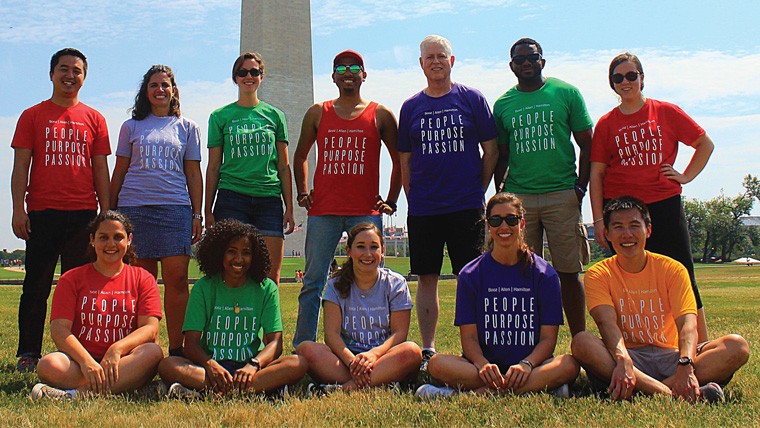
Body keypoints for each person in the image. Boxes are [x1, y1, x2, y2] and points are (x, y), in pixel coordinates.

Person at [571, 196, 749, 403]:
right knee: (582, 341)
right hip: (628, 356)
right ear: (607, 233)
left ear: (648, 230)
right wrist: (623, 359)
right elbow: (606, 322)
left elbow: (687, 324)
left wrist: (685, 363)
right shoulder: (598, 274)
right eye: (618, 227)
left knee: (737, 346)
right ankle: (672, 394)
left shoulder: (672, 269)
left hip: (672, 356)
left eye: (634, 225)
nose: (627, 234)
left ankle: (646, 388)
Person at [589, 52, 715, 343]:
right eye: (618, 78)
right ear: (612, 84)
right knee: (626, 281)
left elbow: (704, 144)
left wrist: (685, 176)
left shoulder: (666, 111)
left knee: (683, 274)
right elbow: (597, 174)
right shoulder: (607, 124)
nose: (625, 82)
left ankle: (703, 347)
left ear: (642, 78)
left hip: (663, 203)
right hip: (621, 210)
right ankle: (630, 349)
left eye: (631, 75)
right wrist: (599, 219)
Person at [416, 193, 579, 398]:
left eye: (511, 219)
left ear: (522, 224)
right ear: (488, 225)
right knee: (437, 364)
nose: (504, 227)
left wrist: (526, 364)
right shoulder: (470, 274)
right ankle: (535, 388)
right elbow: (469, 338)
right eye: (496, 220)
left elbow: (548, 339)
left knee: (569, 365)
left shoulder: (544, 274)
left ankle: (470, 395)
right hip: (482, 369)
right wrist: (483, 365)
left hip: (530, 366)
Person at [398, 35, 498, 367]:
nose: (436, 61)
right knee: (426, 277)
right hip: (425, 208)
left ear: (452, 61)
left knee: (470, 276)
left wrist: (478, 188)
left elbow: (492, 150)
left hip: (466, 205)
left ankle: (477, 347)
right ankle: (428, 349)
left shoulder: (472, 99)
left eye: (442, 56)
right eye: (430, 57)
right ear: (421, 63)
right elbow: (405, 161)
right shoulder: (411, 107)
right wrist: (414, 198)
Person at [292, 49, 402, 347]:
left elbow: (400, 159)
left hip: (364, 211)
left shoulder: (380, 114)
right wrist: (303, 191)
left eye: (355, 67)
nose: (348, 72)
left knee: (369, 280)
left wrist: (391, 199)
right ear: (333, 76)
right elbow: (300, 155)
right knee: (313, 281)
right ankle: (303, 345)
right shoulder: (318, 112)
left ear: (364, 75)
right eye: (341, 68)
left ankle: (369, 343)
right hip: (324, 210)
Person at [11, 48, 111, 372]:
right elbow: (20, 167)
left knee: (78, 289)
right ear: (52, 73)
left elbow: (100, 170)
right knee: (36, 286)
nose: (70, 76)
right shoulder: (32, 115)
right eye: (64, 69)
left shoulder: (95, 119)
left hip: (84, 214)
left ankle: (77, 353)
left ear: (85, 76)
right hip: (42, 212)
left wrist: (106, 214)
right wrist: (17, 209)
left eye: (77, 71)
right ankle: (28, 352)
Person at [492, 37, 594, 337]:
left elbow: (587, 144)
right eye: (520, 59)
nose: (526, 63)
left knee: (569, 272)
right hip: (519, 198)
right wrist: (499, 196)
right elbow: (501, 154)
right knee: (525, 273)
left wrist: (580, 188)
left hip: (562, 193)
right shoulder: (503, 105)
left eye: (532, 58)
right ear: (511, 66)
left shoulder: (565, 92)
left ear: (542, 61)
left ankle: (580, 341)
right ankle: (532, 341)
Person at [109, 65, 203, 357]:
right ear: (145, 91)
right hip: (134, 209)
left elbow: (193, 173)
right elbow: (120, 170)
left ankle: (178, 348)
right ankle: (143, 350)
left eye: (165, 85)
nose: (160, 90)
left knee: (176, 281)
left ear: (174, 90)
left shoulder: (187, 128)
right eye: (154, 85)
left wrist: (197, 214)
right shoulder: (131, 127)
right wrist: (109, 212)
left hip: (175, 209)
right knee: (141, 284)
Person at [158, 219, 306, 397]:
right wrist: (210, 365)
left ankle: (214, 391)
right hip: (211, 367)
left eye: (246, 253)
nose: (239, 259)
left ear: (255, 256)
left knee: (298, 363)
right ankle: (253, 390)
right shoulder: (204, 287)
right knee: (167, 365)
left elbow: (275, 343)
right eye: (231, 252)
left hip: (249, 367)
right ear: (219, 253)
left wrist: (254, 364)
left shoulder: (266, 288)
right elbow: (190, 345)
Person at [30, 211, 164, 400]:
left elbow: (150, 328)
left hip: (124, 360)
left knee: (153, 352)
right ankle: (127, 385)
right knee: (48, 364)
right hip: (80, 362)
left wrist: (116, 349)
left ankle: (77, 394)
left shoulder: (143, 278)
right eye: (103, 237)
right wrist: (86, 362)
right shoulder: (71, 278)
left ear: (129, 240)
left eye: (118, 237)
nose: (111, 244)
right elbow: (59, 330)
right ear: (92, 240)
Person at [296, 223, 421, 393]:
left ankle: (343, 389)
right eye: (360, 247)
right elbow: (331, 335)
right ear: (349, 251)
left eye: (374, 247)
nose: (367, 254)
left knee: (411, 351)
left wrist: (374, 355)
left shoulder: (396, 284)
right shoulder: (335, 285)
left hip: (383, 357)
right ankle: (381, 382)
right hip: (346, 360)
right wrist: (353, 363)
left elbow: (399, 333)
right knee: (306, 349)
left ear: (382, 251)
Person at [205, 52, 294, 284]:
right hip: (232, 197)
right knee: (228, 271)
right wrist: (207, 209)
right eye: (242, 72)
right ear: (235, 78)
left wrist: (290, 207)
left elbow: (284, 166)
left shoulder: (275, 116)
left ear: (262, 76)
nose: (248, 76)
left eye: (254, 72)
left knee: (269, 275)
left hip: (268, 199)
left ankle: (267, 321)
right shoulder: (220, 116)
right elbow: (213, 167)